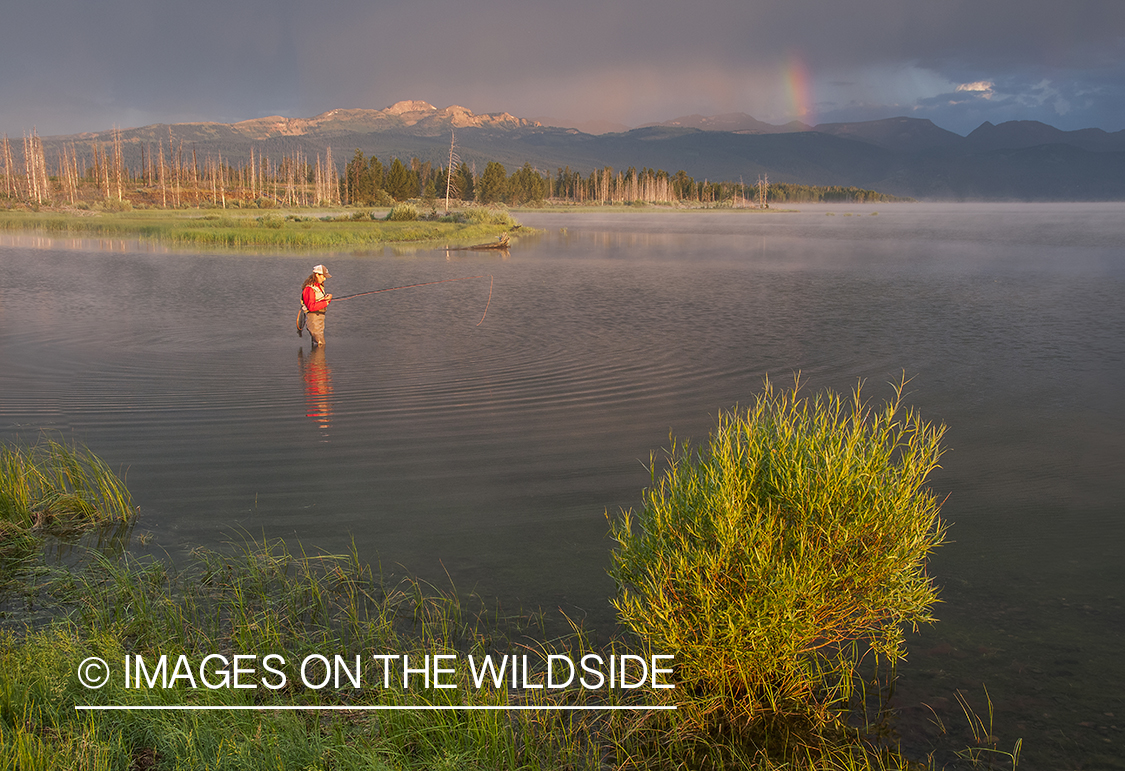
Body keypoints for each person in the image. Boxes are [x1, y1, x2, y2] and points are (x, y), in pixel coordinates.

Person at [301, 264, 333, 347]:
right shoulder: (309, 289)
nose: (324, 279)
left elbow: (318, 302)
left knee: (319, 345)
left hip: (320, 319)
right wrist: (326, 302)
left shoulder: (319, 286)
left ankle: (315, 359)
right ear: (317, 275)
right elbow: (311, 307)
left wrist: (327, 299)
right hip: (313, 319)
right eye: (323, 276)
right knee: (320, 344)